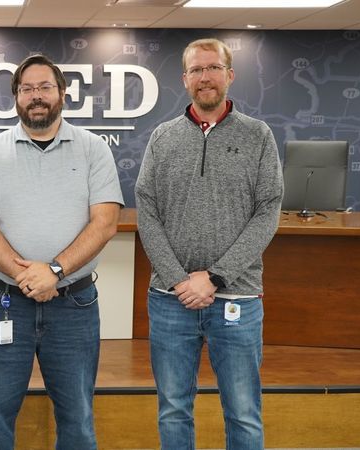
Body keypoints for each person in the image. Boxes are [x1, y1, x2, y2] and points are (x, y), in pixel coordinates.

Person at [0, 54, 124, 450]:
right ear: (16, 97)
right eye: (27, 89)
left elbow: (104, 223)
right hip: (1, 302)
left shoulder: (93, 149)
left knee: (78, 419)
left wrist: (53, 270)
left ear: (63, 94)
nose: (36, 96)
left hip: (74, 306)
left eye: (45, 87)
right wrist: (27, 276)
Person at [135, 38, 284, 450]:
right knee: (173, 409)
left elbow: (268, 210)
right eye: (197, 70)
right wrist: (179, 279)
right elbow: (147, 210)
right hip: (170, 300)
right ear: (185, 79)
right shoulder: (163, 138)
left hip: (237, 298)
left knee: (243, 412)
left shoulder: (258, 136)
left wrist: (215, 277)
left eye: (213, 68)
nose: (205, 77)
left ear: (229, 75)